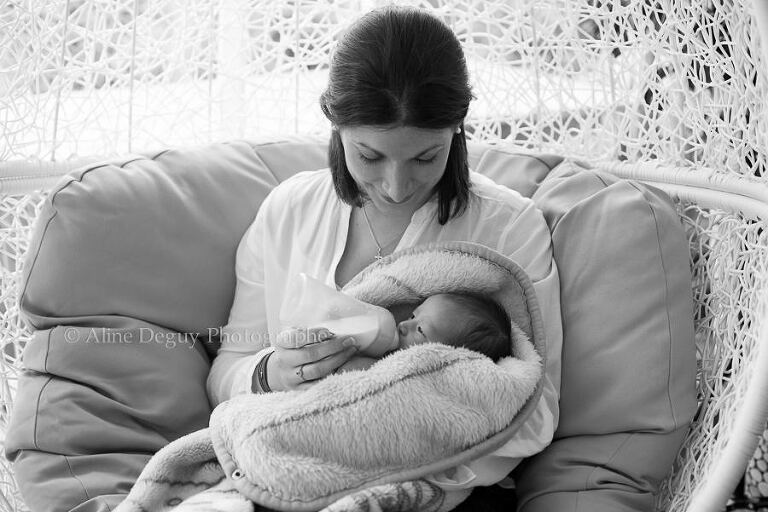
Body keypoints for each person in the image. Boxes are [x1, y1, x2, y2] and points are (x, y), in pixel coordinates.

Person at [207, 4, 562, 507]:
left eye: (425, 157)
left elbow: (537, 410)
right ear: (334, 125)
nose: (396, 187)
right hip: (283, 471)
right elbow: (228, 367)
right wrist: (271, 375)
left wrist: (393, 439)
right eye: (369, 156)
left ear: (458, 127)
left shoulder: (507, 226)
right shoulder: (290, 210)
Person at [335, 292, 514, 373]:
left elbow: (349, 372)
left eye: (420, 330)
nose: (403, 325)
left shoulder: (410, 377)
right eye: (413, 316)